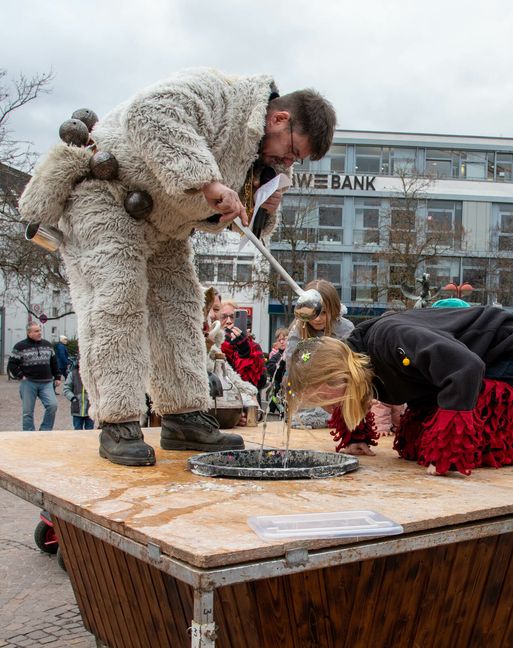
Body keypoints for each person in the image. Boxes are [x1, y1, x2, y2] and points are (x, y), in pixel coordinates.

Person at [18, 68, 336, 466]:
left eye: (295, 160)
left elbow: (225, 221)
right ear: (279, 119)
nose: (288, 161)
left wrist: (259, 207)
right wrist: (207, 183)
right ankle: (118, 422)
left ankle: (184, 416)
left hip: (165, 227)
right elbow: (150, 113)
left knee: (182, 309)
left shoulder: (262, 164)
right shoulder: (216, 93)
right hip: (105, 196)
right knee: (118, 300)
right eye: (291, 151)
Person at [286, 306, 513, 475]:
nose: (324, 408)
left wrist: (451, 452)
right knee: (416, 446)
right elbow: (354, 398)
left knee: (469, 446)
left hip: (512, 352)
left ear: (334, 376)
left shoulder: (391, 340)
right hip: (451, 372)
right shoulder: (357, 362)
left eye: (323, 399)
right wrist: (356, 438)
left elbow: (465, 368)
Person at [284, 279, 355, 428]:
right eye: (313, 313)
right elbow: (293, 372)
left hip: (340, 399)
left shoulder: (346, 330)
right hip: (307, 400)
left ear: (334, 309)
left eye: (323, 312)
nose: (317, 319)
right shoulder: (297, 333)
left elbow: (352, 369)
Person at [7, 323, 61, 431]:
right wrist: (20, 375)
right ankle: (28, 433)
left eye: (39, 330)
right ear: (29, 333)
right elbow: (11, 364)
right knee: (27, 412)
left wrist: (57, 376)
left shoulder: (47, 345)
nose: (39, 333)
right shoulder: (20, 346)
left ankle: (45, 430)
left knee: (52, 405)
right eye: (36, 331)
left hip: (46, 383)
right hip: (29, 383)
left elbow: (54, 362)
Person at [218, 300, 266, 390]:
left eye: (233, 317)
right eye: (223, 317)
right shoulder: (214, 346)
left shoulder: (253, 347)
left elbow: (261, 383)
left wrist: (244, 350)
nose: (228, 321)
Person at [63, 359, 95, 430]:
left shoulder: (93, 375)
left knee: (89, 430)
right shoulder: (73, 374)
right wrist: (72, 398)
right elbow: (66, 389)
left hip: (90, 409)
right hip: (77, 408)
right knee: (77, 430)